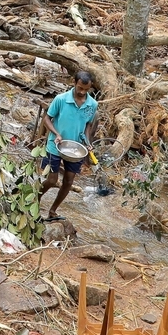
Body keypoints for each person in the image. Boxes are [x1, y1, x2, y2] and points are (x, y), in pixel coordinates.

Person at [38, 71, 99, 222]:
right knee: (52, 180)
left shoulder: (92, 104)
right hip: (55, 145)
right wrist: (56, 133)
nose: (82, 92)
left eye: (86, 89)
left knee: (68, 181)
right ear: (74, 82)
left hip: (75, 148)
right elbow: (47, 119)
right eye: (80, 88)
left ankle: (53, 211)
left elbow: (88, 125)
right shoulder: (61, 99)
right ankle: (34, 200)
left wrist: (87, 142)